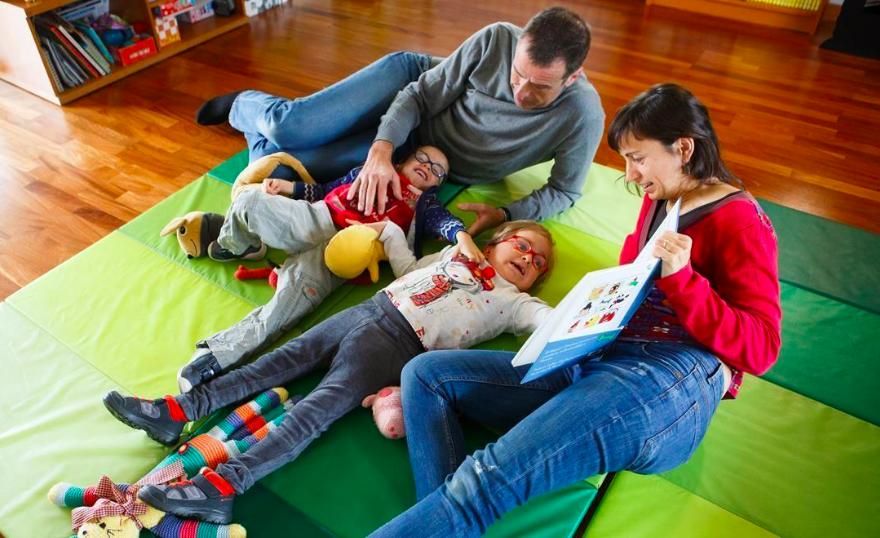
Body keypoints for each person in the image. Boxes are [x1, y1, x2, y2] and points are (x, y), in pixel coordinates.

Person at [369, 83, 783, 537]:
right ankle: (448, 520)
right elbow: (629, 280)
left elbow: (762, 349)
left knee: (484, 479)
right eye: (625, 159)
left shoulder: (741, 219)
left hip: (666, 379)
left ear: (683, 147)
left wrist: (684, 279)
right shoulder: (661, 195)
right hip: (600, 357)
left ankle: (454, 513)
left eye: (638, 158)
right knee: (425, 376)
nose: (629, 173)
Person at [103, 218, 555, 524]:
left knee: (316, 408)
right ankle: (181, 410)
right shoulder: (453, 257)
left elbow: (549, 322)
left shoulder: (515, 303)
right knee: (281, 360)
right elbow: (407, 267)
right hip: (371, 308)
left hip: (398, 345)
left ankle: (225, 484)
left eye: (539, 264)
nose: (529, 259)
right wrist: (395, 231)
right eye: (523, 246)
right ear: (495, 242)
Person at [195, 6, 604, 237]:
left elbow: (564, 191)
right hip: (409, 86)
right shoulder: (496, 38)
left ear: (573, 77)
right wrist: (380, 150)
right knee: (291, 127)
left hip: (421, 155)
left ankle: (258, 135)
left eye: (539, 87)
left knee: (285, 175)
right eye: (517, 74)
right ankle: (246, 105)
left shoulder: (581, 115)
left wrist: (506, 213)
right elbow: (421, 95)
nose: (520, 92)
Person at [178, 145, 482, 392]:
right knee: (249, 200)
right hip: (315, 218)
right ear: (403, 159)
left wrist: (461, 236)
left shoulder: (424, 205)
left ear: (436, 185)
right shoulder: (368, 171)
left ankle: (213, 357)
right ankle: (240, 244)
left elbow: (445, 222)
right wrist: (287, 186)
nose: (427, 167)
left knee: (279, 314)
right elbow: (324, 189)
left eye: (437, 171)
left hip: (338, 257)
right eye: (423, 158)